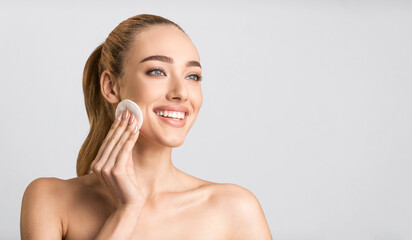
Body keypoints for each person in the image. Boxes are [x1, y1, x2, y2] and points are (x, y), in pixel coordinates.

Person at [20, 14, 272, 239]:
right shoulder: (49, 200)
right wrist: (127, 210)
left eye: (193, 76)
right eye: (157, 71)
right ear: (110, 87)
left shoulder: (235, 209)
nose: (181, 92)